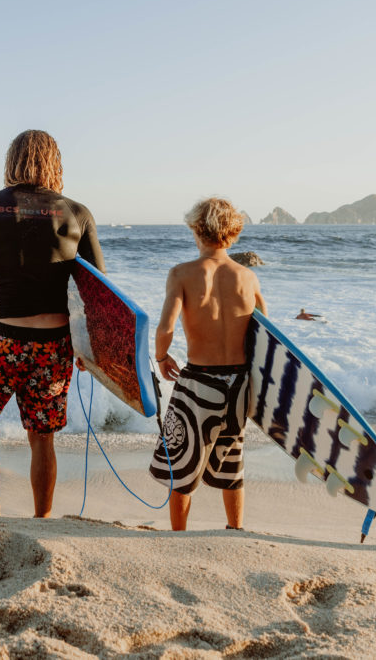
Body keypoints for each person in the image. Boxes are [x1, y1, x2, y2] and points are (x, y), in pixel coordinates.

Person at [0, 130, 105, 518]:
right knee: (42, 436)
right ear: (55, 163)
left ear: (12, 161)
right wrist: (92, 350)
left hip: (2, 338)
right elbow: (99, 294)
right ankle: (42, 518)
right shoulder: (78, 213)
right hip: (54, 344)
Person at [148, 198, 266, 531]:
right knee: (232, 458)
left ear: (196, 229)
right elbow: (266, 338)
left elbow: (166, 327)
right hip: (239, 383)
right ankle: (235, 528)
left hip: (199, 382)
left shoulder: (182, 274)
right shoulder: (248, 278)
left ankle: (179, 533)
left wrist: (161, 356)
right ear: (233, 233)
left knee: (182, 463)